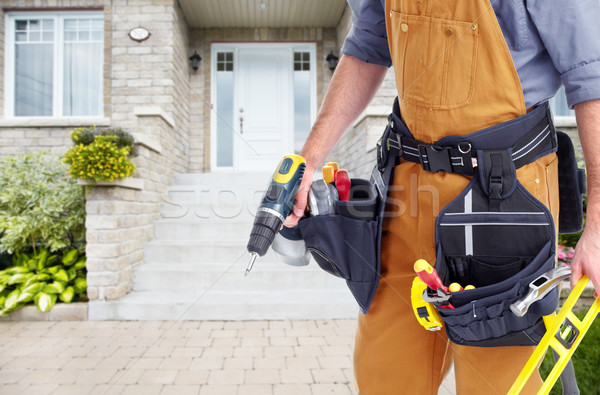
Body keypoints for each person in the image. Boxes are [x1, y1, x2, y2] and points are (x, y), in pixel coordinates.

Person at [284, 0, 600, 393]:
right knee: (385, 376)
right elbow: (367, 46)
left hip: (504, 199)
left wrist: (598, 228)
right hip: (408, 190)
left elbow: (592, 79)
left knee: (496, 382)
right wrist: (308, 161)